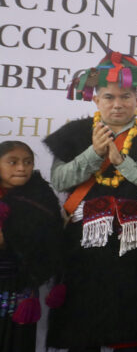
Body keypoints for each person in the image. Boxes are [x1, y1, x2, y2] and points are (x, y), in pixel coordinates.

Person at [43, 50, 137, 352]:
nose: (118, 104)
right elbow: (60, 180)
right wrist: (93, 153)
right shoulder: (75, 134)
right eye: (109, 97)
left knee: (132, 329)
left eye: (126, 97)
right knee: (82, 329)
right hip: (84, 247)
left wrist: (122, 162)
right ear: (95, 100)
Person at [0, 141, 64, 352]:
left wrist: (8, 236)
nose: (22, 168)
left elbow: (50, 239)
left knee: (17, 341)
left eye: (28, 162)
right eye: (13, 162)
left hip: (19, 284)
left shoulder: (40, 196)